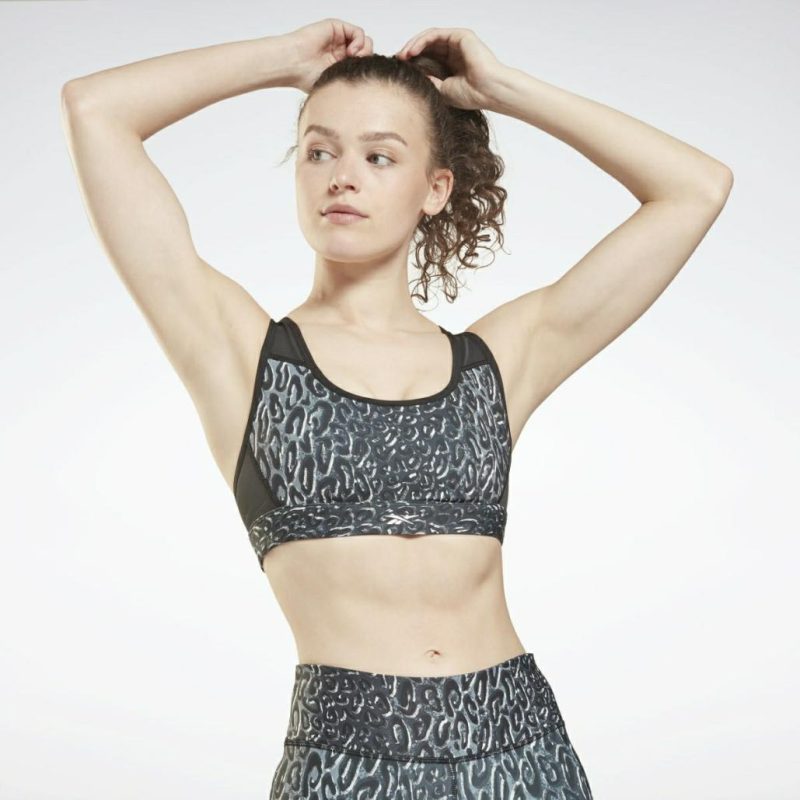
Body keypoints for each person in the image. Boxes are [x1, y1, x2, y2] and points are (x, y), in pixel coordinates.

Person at [60, 17, 733, 800]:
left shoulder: (498, 363)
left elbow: (696, 187)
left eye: (379, 156)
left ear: (435, 189)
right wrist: (282, 60)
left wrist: (503, 89)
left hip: (522, 753)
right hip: (344, 763)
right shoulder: (242, 356)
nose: (342, 177)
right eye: (319, 151)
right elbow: (95, 109)